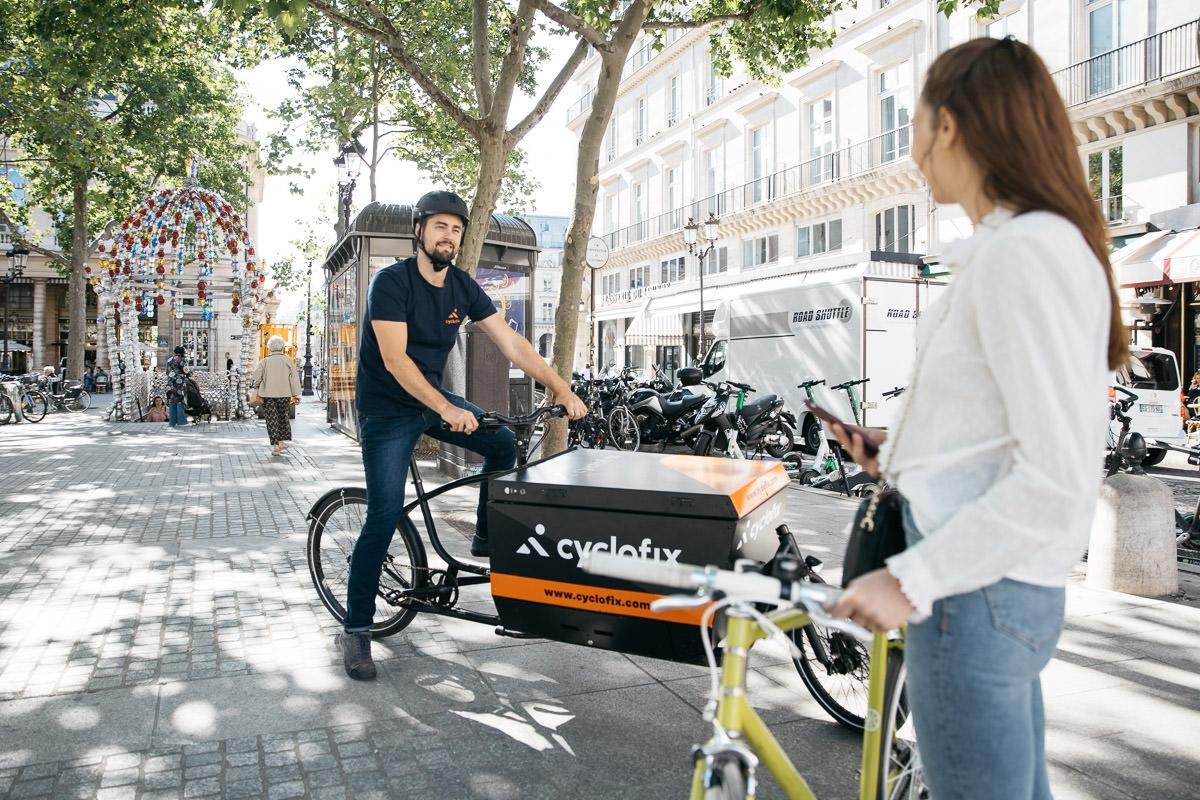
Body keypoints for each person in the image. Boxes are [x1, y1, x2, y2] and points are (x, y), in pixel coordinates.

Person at [827, 37, 1126, 800]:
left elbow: (1056, 475)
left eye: (914, 125)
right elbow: (999, 434)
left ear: (950, 125)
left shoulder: (1023, 252)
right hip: (991, 594)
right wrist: (893, 454)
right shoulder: (1025, 245)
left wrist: (910, 580)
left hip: (972, 597)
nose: (913, 153)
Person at [338, 190, 587, 681]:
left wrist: (560, 388)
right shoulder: (391, 283)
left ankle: (483, 536)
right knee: (384, 514)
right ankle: (357, 628)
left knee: (501, 442)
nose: (448, 236)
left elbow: (512, 343)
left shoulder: (462, 286)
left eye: (456, 229)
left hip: (431, 398)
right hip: (387, 411)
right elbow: (395, 360)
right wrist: (447, 408)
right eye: (440, 227)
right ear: (419, 231)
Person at [250, 335, 301, 456]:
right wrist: (296, 394)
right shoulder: (288, 360)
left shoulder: (265, 361)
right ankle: (281, 441)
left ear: (270, 347)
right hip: (284, 394)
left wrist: (257, 385)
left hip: (268, 395)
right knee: (283, 417)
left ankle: (276, 445)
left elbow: (256, 377)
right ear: (282, 347)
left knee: (271, 419)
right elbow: (294, 378)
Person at [165, 346, 189, 428]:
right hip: (179, 384)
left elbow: (167, 372)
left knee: (172, 401)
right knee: (180, 401)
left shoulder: (169, 360)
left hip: (170, 384)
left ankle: (172, 422)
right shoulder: (183, 360)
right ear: (182, 352)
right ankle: (181, 421)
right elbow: (186, 371)